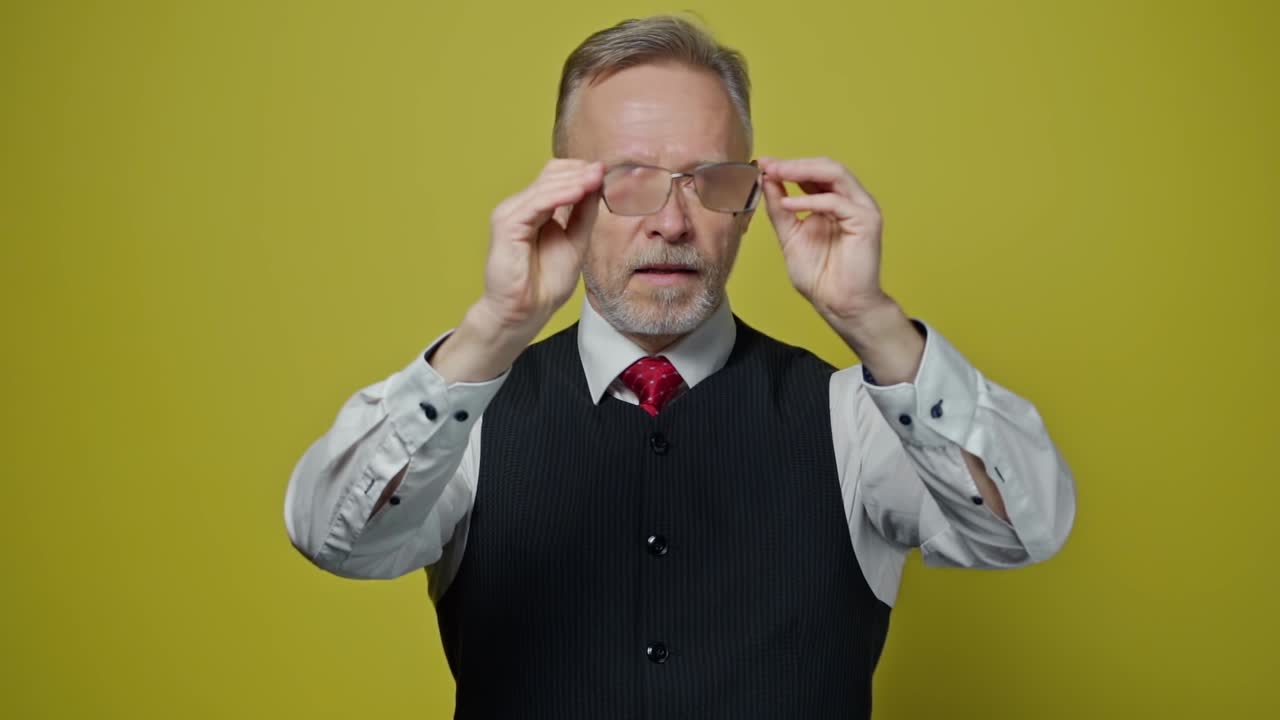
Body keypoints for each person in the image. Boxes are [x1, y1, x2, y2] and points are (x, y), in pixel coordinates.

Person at [284, 14, 1075, 719]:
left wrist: (874, 324)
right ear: (566, 195)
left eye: (708, 182)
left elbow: (1023, 531)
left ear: (753, 200)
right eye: (629, 179)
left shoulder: (854, 416)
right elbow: (336, 540)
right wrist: (494, 329)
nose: (671, 223)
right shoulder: (470, 417)